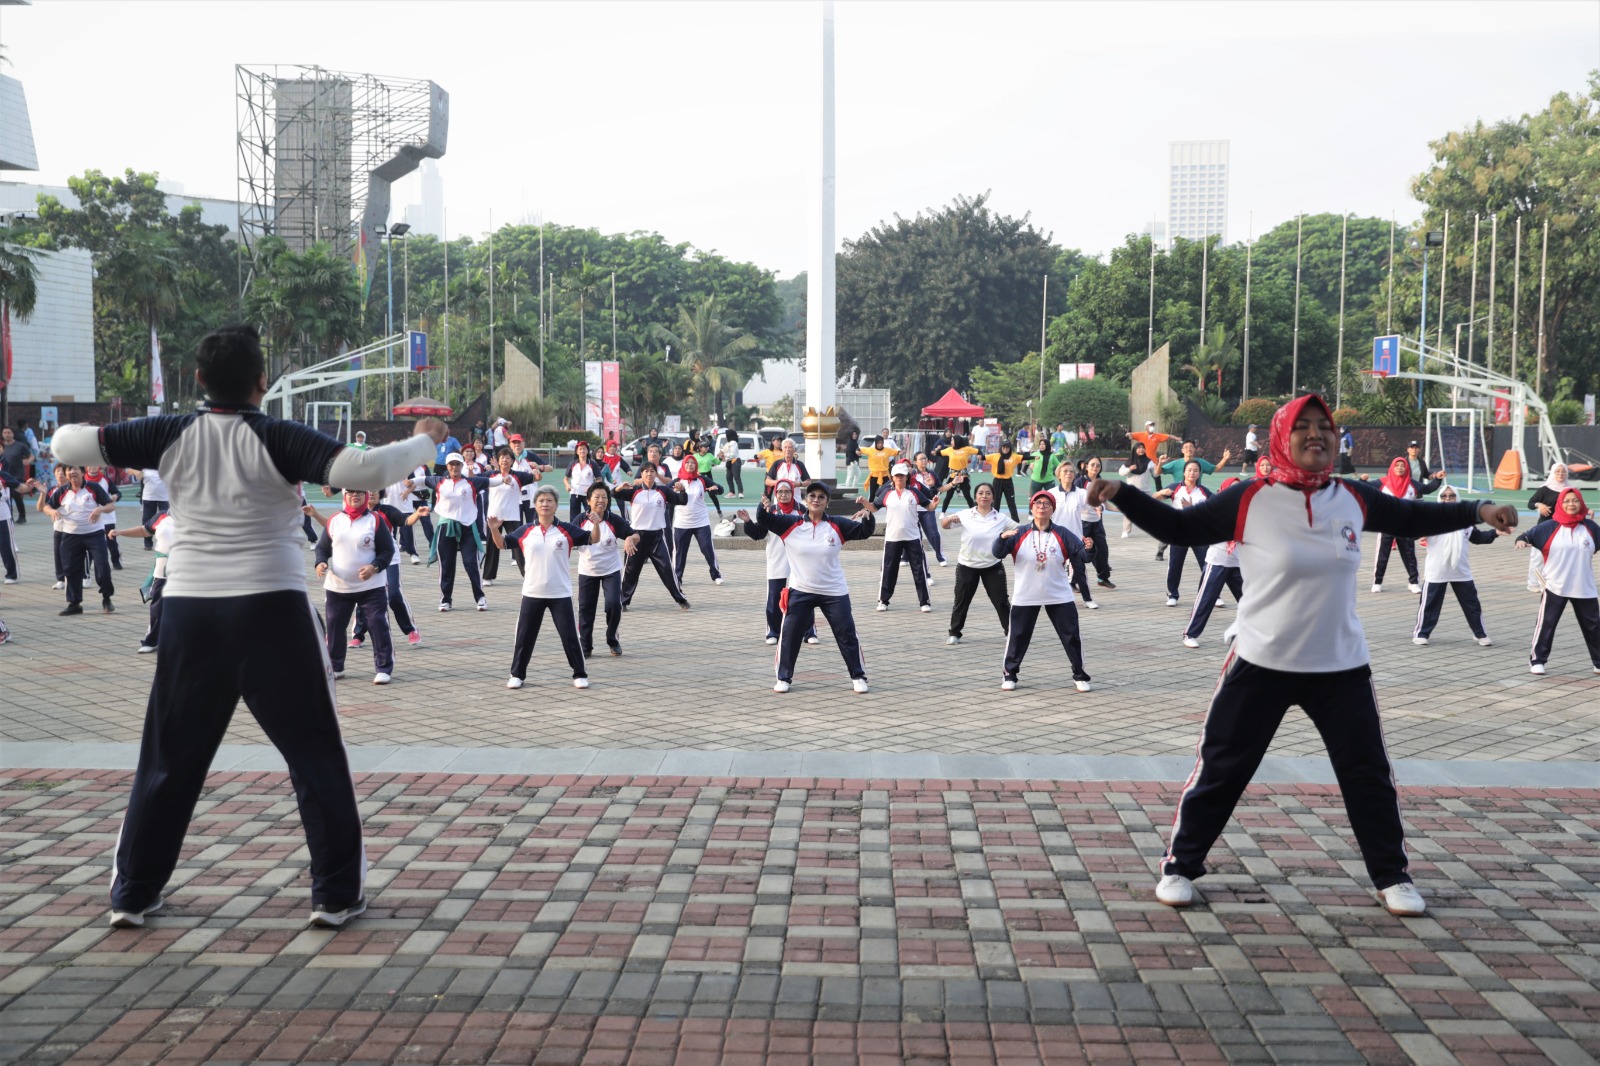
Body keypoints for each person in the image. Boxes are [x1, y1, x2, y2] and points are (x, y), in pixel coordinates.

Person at [51, 323, 443, 930]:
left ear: (201, 380)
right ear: (262, 382)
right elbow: (364, 471)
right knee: (314, 752)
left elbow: (66, 447)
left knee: (168, 757)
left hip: (188, 611)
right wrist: (424, 442)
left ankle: (132, 893)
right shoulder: (277, 435)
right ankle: (335, 895)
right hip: (272, 609)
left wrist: (97, 435)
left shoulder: (166, 432)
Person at [1086, 392, 1518, 916]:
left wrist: (1479, 509)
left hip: (1340, 668)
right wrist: (1123, 496)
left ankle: (1392, 877)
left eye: (1325, 426)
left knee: (1367, 775)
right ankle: (1180, 866)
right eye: (1303, 427)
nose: (1317, 434)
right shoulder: (1251, 497)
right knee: (1222, 769)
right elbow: (1180, 529)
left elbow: (1410, 517)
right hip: (1260, 663)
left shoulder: (1353, 498)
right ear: (1280, 437)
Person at [741, 481, 876, 694]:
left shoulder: (838, 525)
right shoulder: (790, 524)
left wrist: (868, 516)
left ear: (827, 502)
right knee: (789, 635)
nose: (816, 500)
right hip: (801, 589)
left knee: (847, 633)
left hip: (833, 591)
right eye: (812, 496)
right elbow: (766, 520)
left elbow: (864, 532)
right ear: (806, 500)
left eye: (821, 497)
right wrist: (763, 506)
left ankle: (858, 676)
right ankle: (783, 677)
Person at [489, 485, 593, 690]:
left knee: (570, 636)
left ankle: (579, 674)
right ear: (535, 506)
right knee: (524, 637)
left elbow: (592, 539)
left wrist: (596, 525)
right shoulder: (526, 531)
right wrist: (494, 529)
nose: (545, 504)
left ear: (555, 505)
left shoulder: (566, 530)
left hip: (560, 592)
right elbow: (502, 544)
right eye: (541, 501)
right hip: (532, 592)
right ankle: (517, 674)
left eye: (549, 501)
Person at [993, 491, 1093, 693]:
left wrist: (1090, 548)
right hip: (1026, 594)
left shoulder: (1063, 533)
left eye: (1047, 504)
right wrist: (1001, 538)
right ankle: (1010, 674)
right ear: (1031, 507)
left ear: (1052, 510)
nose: (1042, 506)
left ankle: (1080, 675)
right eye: (1038, 503)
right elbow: (998, 553)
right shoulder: (1019, 533)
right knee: (1017, 636)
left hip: (1058, 594)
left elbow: (1083, 556)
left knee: (1071, 636)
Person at [314, 488, 397, 685]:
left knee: (378, 623)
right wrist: (320, 562)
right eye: (350, 493)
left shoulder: (375, 520)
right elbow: (322, 547)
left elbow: (387, 550)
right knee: (334, 627)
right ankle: (336, 666)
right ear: (345, 496)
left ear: (366, 496)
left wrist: (374, 567)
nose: (355, 496)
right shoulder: (335, 520)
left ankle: (384, 668)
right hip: (338, 586)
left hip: (371, 586)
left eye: (359, 493)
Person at [1515, 487, 1600, 676]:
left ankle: (1598, 663)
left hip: (1584, 587)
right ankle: (1537, 660)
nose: (1571, 504)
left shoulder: (1591, 528)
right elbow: (1525, 536)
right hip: (1555, 586)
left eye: (1575, 501)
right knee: (1547, 624)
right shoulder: (1549, 527)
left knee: (1594, 627)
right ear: (1560, 504)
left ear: (1581, 503)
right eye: (1566, 501)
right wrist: (1521, 541)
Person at [1412, 483, 1500, 647]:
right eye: (1444, 496)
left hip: (1460, 570)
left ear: (1457, 498)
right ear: (1439, 499)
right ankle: (1421, 633)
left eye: (1451, 496)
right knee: (1430, 604)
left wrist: (1496, 532)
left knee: (1472, 604)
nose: (1448, 499)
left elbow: (1478, 538)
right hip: (1437, 570)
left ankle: (1480, 633)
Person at [411, 454, 495, 612]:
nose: (454, 467)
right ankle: (445, 599)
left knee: (471, 563)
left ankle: (480, 597)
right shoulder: (439, 481)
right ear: (447, 466)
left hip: (467, 527)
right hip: (446, 526)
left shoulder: (471, 482)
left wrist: (506, 479)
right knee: (446, 564)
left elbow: (492, 481)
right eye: (451, 464)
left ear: (462, 465)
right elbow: (422, 480)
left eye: (457, 464)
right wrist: (411, 482)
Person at [938, 482, 1015, 646]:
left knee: (1001, 601)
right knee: (961, 600)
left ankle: (1011, 632)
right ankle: (954, 633)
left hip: (992, 566)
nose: (984, 496)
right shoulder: (966, 514)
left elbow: (1020, 530)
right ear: (975, 497)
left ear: (993, 497)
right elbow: (944, 525)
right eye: (981, 493)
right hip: (967, 566)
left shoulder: (1000, 518)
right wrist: (950, 518)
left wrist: (1011, 534)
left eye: (988, 493)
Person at [742, 480, 817, 646]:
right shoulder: (771, 511)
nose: (783, 495)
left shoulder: (802, 511)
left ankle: (809, 631)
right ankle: (773, 632)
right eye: (780, 492)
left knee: (804, 597)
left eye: (787, 491)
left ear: (792, 493)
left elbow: (813, 532)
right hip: (776, 560)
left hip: (800, 562)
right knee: (774, 598)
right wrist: (748, 522)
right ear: (775, 494)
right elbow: (758, 534)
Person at [349, 498, 428, 651]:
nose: (371, 493)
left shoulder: (387, 510)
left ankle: (411, 630)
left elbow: (406, 520)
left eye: (375, 490)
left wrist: (417, 514)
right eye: (368, 490)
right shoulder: (356, 513)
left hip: (389, 558)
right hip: (366, 559)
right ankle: (358, 635)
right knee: (363, 596)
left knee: (394, 595)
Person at [575, 484, 640, 658]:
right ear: (588, 501)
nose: (601, 501)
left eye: (604, 497)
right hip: (587, 571)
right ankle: (585, 645)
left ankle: (613, 640)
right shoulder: (580, 520)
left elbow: (635, 534)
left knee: (613, 604)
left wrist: (629, 539)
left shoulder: (614, 520)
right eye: (596, 497)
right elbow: (568, 538)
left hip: (611, 570)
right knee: (586, 608)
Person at [41, 466, 117, 616]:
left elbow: (110, 505)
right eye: (68, 470)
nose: (72, 472)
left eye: (75, 469)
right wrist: (52, 511)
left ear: (83, 473)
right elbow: (47, 506)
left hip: (94, 534)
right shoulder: (62, 491)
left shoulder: (93, 488)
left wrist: (99, 510)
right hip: (70, 536)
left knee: (103, 567)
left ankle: (106, 598)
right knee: (70, 569)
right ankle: (74, 603)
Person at [614, 462, 691, 610]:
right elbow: (614, 494)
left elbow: (682, 500)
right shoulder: (634, 490)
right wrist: (619, 487)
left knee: (667, 570)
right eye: (646, 472)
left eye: (652, 471)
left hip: (656, 536)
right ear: (641, 474)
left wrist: (682, 491)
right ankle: (623, 601)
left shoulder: (663, 491)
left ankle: (680, 598)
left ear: (656, 474)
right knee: (630, 570)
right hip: (636, 537)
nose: (649, 474)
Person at [858, 462, 933, 613]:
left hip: (912, 536)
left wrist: (935, 504)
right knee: (888, 570)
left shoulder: (914, 493)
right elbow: (874, 507)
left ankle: (924, 602)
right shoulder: (887, 493)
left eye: (902, 475)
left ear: (906, 477)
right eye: (897, 476)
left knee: (919, 570)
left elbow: (929, 506)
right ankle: (883, 600)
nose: (899, 478)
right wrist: (864, 503)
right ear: (892, 477)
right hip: (893, 537)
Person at [1181, 477, 1245, 648]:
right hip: (1218, 560)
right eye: (1232, 488)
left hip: (1239, 562)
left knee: (1251, 600)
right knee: (1206, 599)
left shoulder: (1248, 509)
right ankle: (1190, 634)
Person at [1366, 456, 1442, 594]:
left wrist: (1438, 479)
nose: (1400, 468)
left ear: (1406, 468)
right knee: (1382, 555)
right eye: (1397, 465)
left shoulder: (1411, 483)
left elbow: (1427, 489)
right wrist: (1362, 480)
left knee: (1409, 555)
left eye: (1403, 465)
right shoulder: (1383, 482)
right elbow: (1366, 487)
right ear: (1392, 467)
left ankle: (1413, 582)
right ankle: (1377, 582)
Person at [108, 511, 176, 653]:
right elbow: (144, 530)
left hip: (192, 569)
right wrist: (120, 532)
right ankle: (152, 640)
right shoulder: (163, 516)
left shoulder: (200, 515)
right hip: (163, 568)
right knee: (158, 606)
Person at [1154, 460, 1212, 607]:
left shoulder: (1204, 491)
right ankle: (1172, 594)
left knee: (1208, 565)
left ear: (1199, 474)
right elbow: (1153, 499)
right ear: (1184, 472)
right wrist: (1161, 492)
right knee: (1175, 565)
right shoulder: (1175, 488)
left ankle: (1212, 595)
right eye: (1190, 470)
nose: (1192, 473)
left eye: (1196, 470)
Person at [1043, 461, 1099, 609]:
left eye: (1071, 471)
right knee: (1051, 569)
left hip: (1075, 538)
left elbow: (1094, 504)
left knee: (1080, 570)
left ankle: (1087, 599)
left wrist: (1099, 506)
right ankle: (1049, 597)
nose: (1068, 474)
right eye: (1065, 471)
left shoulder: (1081, 493)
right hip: (1054, 539)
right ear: (1059, 475)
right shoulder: (1052, 493)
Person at [481, 448, 539, 585]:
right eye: (502, 457)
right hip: (494, 517)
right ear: (498, 461)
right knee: (491, 546)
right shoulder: (490, 475)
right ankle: (487, 576)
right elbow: (474, 480)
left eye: (508, 458)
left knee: (519, 546)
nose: (505, 460)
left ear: (512, 461)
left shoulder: (518, 476)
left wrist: (537, 472)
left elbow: (536, 477)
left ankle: (528, 575)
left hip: (512, 516)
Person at [672, 457, 724, 585]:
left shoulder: (702, 480)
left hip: (701, 522)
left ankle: (716, 574)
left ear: (696, 466)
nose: (690, 465)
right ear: (683, 465)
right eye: (687, 463)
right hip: (682, 523)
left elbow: (720, 489)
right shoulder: (677, 482)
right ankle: (677, 578)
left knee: (707, 548)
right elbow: (665, 494)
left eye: (692, 463)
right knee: (680, 552)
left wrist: (716, 488)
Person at [1526, 463, 1570, 593]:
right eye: (1557, 471)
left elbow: (1577, 505)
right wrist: (1539, 505)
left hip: (1563, 528)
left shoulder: (1570, 490)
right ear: (1552, 473)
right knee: (1538, 557)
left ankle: (1556, 583)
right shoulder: (1545, 489)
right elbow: (1530, 503)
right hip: (1544, 528)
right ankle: (1533, 583)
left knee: (1560, 557)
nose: (1561, 474)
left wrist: (1587, 511)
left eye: (1563, 472)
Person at [1073, 457, 1114, 588]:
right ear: (1086, 466)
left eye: (1098, 465)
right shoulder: (1080, 482)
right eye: (1092, 464)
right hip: (1083, 522)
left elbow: (1105, 505)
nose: (1095, 467)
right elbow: (1075, 501)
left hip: (1097, 523)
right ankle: (1072, 581)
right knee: (1079, 551)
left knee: (1102, 550)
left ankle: (1102, 578)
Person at [1117, 442, 1154, 537]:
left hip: (1146, 490)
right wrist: (1129, 469)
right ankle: (1126, 531)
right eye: (1139, 448)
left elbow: (1155, 474)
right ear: (1134, 450)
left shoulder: (1149, 462)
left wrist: (1160, 465)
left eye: (1143, 448)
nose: (1141, 449)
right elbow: (1121, 472)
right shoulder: (1129, 462)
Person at [983, 441, 1025, 520]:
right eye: (1004, 447)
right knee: (996, 502)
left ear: (1010, 448)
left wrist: (1035, 458)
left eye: (1007, 447)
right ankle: (993, 519)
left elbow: (1024, 457)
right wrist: (978, 455)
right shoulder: (995, 456)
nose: (1005, 449)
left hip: (1008, 482)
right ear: (1001, 448)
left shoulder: (1014, 457)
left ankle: (1015, 520)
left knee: (1011, 502)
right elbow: (983, 457)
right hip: (997, 481)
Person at [938, 436, 980, 512]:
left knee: (967, 495)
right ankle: (943, 513)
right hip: (952, 475)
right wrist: (936, 450)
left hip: (963, 475)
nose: (951, 442)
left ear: (957, 441)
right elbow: (939, 453)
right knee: (949, 496)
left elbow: (978, 451)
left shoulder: (967, 449)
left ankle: (974, 512)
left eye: (952, 440)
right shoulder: (949, 450)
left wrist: (980, 456)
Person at [1, 426, 33, 524]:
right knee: (7, 495)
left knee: (16, 494)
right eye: (5, 433)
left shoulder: (20, 446)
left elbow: (31, 456)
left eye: (9, 432)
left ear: (13, 434)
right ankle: (9, 516)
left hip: (17, 474)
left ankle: (22, 516)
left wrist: (27, 461)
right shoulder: (2, 446)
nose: (7, 434)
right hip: (5, 475)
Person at [133, 468, 170, 550]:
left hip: (165, 497)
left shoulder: (166, 460)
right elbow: (129, 469)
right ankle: (147, 543)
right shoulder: (146, 462)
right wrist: (136, 472)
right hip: (149, 497)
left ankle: (166, 542)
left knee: (166, 520)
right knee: (147, 520)